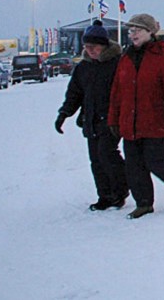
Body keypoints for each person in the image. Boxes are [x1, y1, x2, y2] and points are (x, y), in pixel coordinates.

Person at [108, 13, 164, 220]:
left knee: (155, 159)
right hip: (130, 122)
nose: (132, 34)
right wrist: (113, 120)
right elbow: (117, 92)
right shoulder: (125, 58)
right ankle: (143, 203)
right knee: (133, 165)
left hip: (155, 120)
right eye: (130, 31)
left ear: (150, 32)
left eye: (137, 30)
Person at [54, 21, 129, 211]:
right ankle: (104, 195)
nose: (90, 50)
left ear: (104, 46)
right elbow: (74, 93)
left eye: (94, 47)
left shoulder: (117, 64)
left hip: (111, 119)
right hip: (90, 120)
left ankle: (120, 191)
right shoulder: (83, 67)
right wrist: (64, 113)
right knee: (95, 159)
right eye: (87, 47)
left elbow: (126, 91)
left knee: (107, 154)